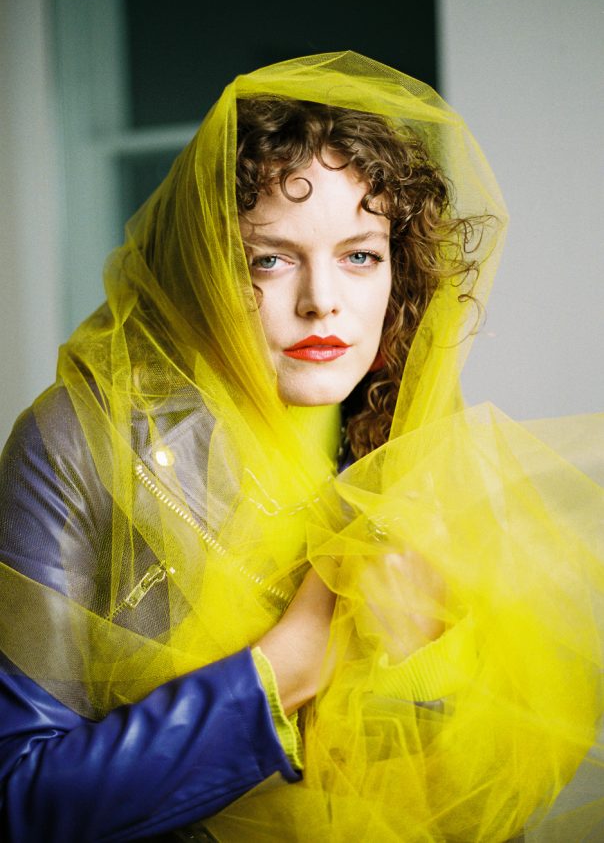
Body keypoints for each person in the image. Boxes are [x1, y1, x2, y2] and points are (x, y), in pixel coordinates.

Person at [0, 52, 602, 842]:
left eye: (360, 256)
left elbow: (477, 804)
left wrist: (421, 663)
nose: (322, 302)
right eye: (271, 259)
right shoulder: (80, 441)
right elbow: (19, 798)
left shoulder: (420, 454)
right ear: (206, 269)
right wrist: (288, 663)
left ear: (397, 272)